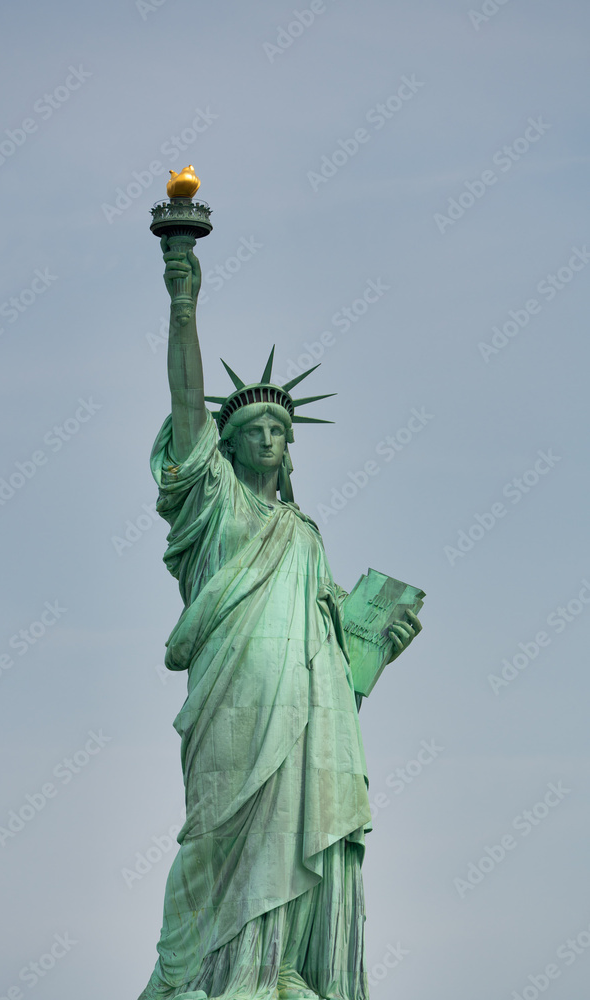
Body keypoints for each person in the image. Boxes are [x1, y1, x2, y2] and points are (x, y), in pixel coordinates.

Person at [139, 240, 421, 1000]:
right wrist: (183, 301)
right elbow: (186, 403)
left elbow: (335, 655)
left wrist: (377, 644)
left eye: (278, 431)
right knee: (224, 825)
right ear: (222, 448)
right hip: (234, 698)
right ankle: (213, 968)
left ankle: (276, 964)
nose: (268, 439)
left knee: (300, 816)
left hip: (308, 707)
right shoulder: (212, 505)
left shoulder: (302, 535)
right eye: (252, 430)